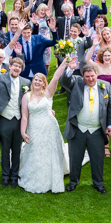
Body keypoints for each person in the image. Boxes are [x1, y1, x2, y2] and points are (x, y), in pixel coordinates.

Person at [60, 60, 111, 194]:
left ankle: (98, 183)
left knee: (97, 159)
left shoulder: (105, 85)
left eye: (92, 76)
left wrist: (110, 124)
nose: (90, 79)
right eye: (87, 77)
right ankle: (73, 182)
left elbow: (110, 106)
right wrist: (70, 70)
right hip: (78, 128)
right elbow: (64, 82)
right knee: (75, 158)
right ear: (83, 77)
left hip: (96, 130)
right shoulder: (77, 83)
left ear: (97, 74)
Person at [19, 58, 69, 193]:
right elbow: (24, 116)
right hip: (34, 127)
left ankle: (51, 177)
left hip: (49, 127)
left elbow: (56, 78)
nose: (37, 81)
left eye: (40, 80)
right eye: (35, 79)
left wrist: (64, 63)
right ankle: (34, 177)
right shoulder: (26, 96)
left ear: (43, 84)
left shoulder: (47, 94)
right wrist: (23, 132)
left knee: (49, 151)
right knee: (35, 151)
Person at [0, 55, 30, 188]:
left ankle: (14, 176)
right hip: (5, 119)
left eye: (19, 67)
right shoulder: (1, 78)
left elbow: (33, 99)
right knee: (5, 150)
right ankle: (5, 176)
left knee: (17, 150)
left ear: (21, 70)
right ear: (10, 66)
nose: (16, 68)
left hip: (19, 120)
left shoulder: (26, 82)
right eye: (15, 65)